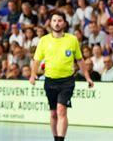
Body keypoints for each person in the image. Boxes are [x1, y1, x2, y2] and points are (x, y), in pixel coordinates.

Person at [29, 12, 94, 141]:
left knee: (61, 110)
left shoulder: (72, 39)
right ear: (50, 23)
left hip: (67, 81)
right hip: (50, 81)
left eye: (59, 20)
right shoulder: (44, 40)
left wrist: (87, 77)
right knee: (53, 113)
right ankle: (56, 138)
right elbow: (36, 60)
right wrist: (32, 75)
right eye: (54, 20)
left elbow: (80, 60)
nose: (57, 23)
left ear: (64, 23)